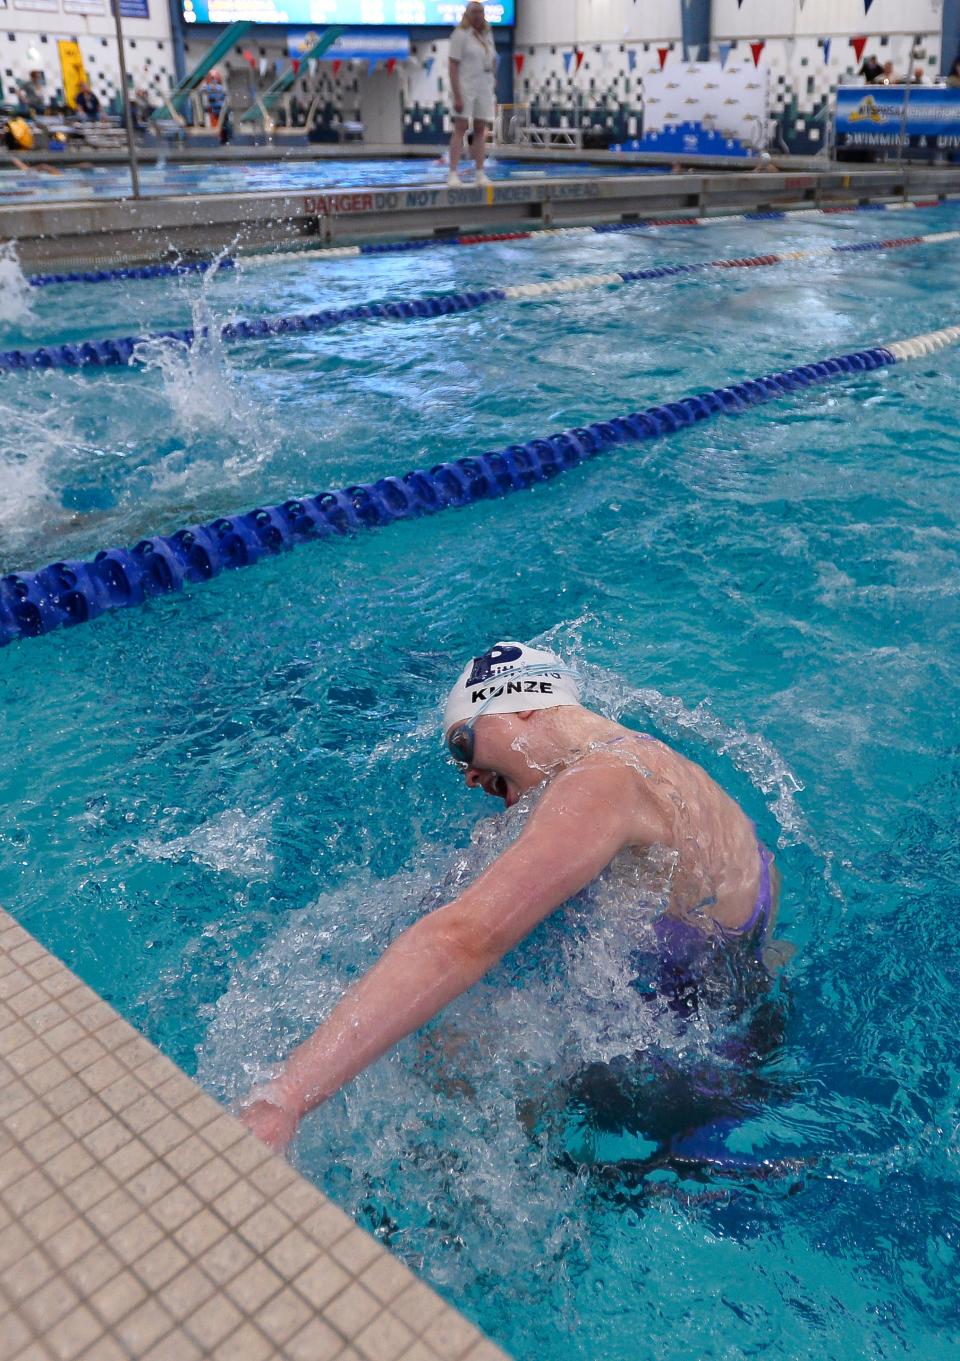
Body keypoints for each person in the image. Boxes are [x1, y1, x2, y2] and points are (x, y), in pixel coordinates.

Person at [240, 641, 783, 1154]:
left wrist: (284, 1100)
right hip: (745, 1046)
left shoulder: (601, 785)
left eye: (464, 745)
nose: (470, 777)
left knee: (444, 1062)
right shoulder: (671, 772)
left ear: (520, 706)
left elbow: (463, 938)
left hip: (682, 1083)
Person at [446, 1, 497, 188]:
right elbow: (452, 66)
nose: (478, 15)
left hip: (484, 87)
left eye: (481, 12)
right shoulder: (459, 35)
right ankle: (452, 173)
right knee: (460, 127)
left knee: (480, 130)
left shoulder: (487, 35)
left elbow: (492, 60)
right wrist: (457, 95)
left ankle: (480, 173)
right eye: (474, 12)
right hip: (465, 86)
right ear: (467, 15)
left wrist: (493, 81)